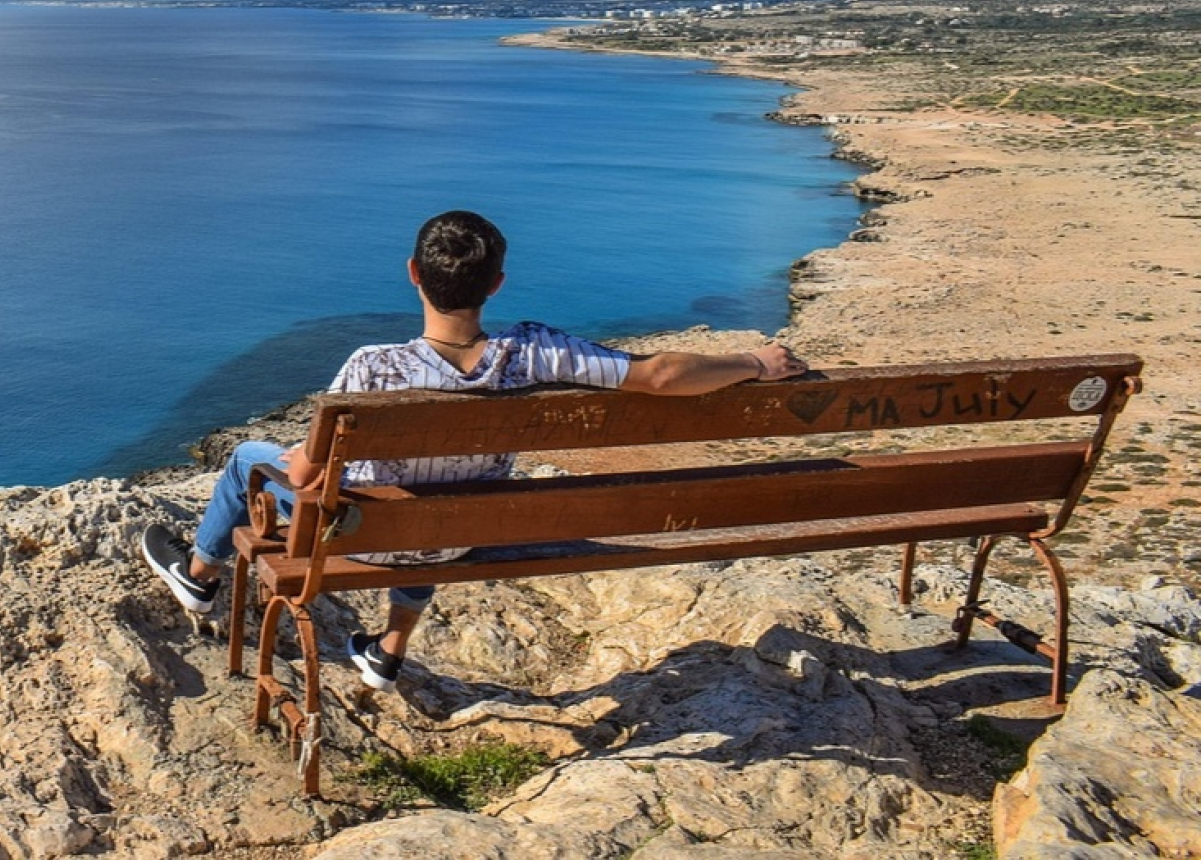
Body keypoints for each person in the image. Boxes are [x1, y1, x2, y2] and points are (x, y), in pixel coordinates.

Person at [143, 210, 807, 691]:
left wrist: (290, 457)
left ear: (413, 275)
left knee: (246, 458)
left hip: (366, 537)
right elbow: (659, 375)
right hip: (454, 538)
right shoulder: (536, 352)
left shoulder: (372, 367)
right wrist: (755, 362)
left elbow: (307, 476)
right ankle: (388, 648)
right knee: (440, 496)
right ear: (496, 284)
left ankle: (198, 577)